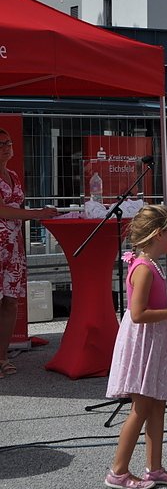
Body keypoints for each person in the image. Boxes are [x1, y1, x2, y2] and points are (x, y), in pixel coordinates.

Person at [104, 204, 167, 489]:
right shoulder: (143, 268)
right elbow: (138, 313)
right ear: (157, 234)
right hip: (144, 341)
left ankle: (154, 467)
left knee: (157, 405)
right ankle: (118, 471)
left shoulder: (149, 265)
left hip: (154, 340)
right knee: (141, 407)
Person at [0, 128, 58, 379]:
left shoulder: (13, 174)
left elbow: (17, 207)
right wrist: (36, 215)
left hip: (14, 247)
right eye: (0, 144)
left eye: (9, 142)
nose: (6, 147)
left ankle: (2, 357)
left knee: (10, 302)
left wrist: (40, 212)